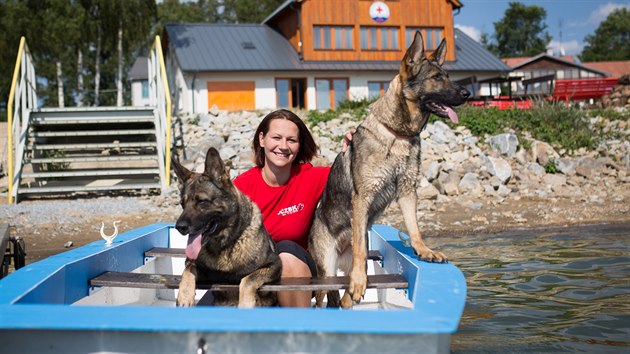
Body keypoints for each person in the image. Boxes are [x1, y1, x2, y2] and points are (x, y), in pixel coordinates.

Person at [233, 109, 331, 307]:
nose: (283, 146)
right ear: (262, 139)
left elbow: (354, 173)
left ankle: (298, 329)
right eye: (276, 137)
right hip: (252, 274)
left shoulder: (310, 177)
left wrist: (353, 147)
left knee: (285, 252)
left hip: (296, 268)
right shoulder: (242, 186)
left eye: (291, 140)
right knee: (195, 321)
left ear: (299, 145)